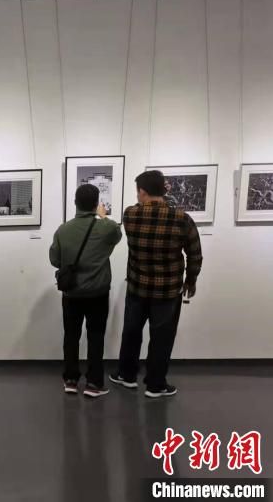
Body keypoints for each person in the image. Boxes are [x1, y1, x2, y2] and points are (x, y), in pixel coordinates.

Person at [110, 170, 203, 398]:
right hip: (168, 291)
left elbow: (141, 207)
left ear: (142, 191)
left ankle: (127, 375)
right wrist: (191, 280)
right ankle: (155, 385)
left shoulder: (131, 215)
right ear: (164, 189)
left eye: (138, 191)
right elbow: (195, 254)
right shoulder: (182, 218)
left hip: (137, 287)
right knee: (162, 338)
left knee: (131, 333)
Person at [50, 184, 123, 398]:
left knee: (71, 336)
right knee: (96, 337)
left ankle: (71, 380)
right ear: (96, 204)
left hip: (71, 293)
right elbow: (117, 233)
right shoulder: (105, 228)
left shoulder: (63, 230)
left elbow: (55, 259)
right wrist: (103, 215)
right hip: (97, 293)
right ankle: (93, 383)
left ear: (75, 202)